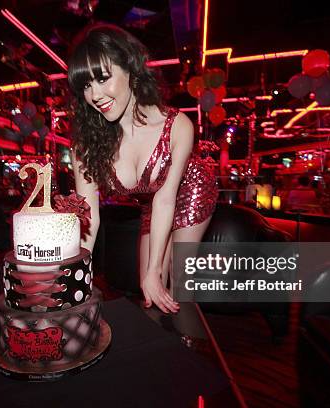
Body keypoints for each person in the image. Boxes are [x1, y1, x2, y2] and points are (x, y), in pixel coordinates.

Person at [67, 24, 218, 314]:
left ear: (131, 70)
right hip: (153, 201)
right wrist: (74, 271)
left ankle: (185, 348)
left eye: (102, 78)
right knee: (148, 287)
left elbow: (166, 197)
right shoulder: (86, 145)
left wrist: (155, 270)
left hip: (190, 189)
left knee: (178, 279)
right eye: (86, 85)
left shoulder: (178, 125)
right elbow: (89, 218)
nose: (95, 94)